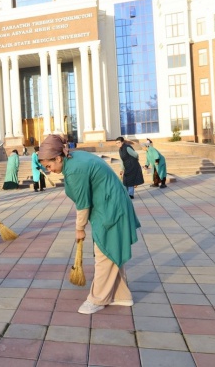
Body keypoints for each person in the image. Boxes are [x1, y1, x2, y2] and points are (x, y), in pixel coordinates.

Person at [38, 134, 141, 314]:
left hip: (111, 208)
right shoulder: (74, 159)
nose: (49, 170)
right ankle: (121, 295)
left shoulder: (74, 169)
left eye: (49, 166)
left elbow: (83, 203)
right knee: (111, 250)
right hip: (110, 204)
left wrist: (79, 229)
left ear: (58, 157)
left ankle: (97, 299)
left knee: (104, 253)